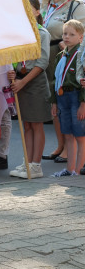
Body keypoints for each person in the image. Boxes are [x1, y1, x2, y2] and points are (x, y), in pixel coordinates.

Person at [41, 0, 85, 162]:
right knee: (56, 102)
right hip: (49, 57)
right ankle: (60, 145)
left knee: (70, 103)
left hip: (69, 58)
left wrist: (71, 45)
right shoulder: (46, 6)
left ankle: (71, 149)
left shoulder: (76, 6)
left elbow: (82, 34)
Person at [7, 0, 50, 179]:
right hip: (21, 82)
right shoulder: (20, 34)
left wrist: (23, 81)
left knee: (37, 124)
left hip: (35, 82)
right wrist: (13, 73)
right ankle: (27, 161)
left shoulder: (42, 33)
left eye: (28, 8)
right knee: (27, 126)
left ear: (37, 11)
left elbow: (42, 62)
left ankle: (36, 165)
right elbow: (17, 60)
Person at [51, 19, 85, 177]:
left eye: (72, 34)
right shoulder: (60, 56)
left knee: (80, 136)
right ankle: (69, 168)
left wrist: (83, 104)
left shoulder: (81, 56)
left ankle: (78, 171)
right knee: (68, 135)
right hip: (62, 97)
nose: (67, 37)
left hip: (77, 97)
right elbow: (55, 80)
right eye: (65, 33)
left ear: (81, 37)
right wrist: (54, 101)